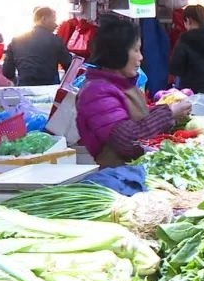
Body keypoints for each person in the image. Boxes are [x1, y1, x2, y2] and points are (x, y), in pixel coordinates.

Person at [76, 16, 191, 168]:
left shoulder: (121, 84)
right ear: (118, 52)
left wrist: (165, 110)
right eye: (136, 50)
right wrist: (168, 112)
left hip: (135, 169)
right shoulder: (97, 93)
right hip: (118, 176)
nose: (141, 57)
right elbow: (127, 141)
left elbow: (136, 120)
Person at [3, 7, 72, 87]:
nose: (56, 25)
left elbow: (7, 71)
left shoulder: (16, 40)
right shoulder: (55, 40)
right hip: (49, 89)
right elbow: (69, 66)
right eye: (54, 20)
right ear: (44, 19)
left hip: (24, 88)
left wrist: (17, 81)